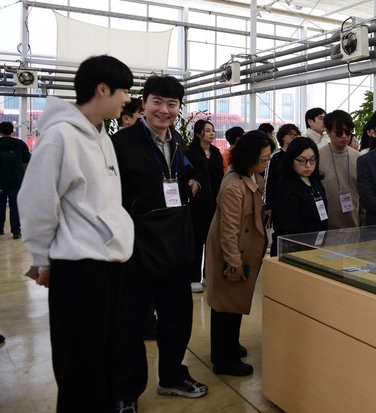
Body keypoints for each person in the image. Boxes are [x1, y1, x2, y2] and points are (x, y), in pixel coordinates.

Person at [17, 54, 134, 413]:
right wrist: (42, 260)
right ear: (102, 89)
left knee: (107, 361)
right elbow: (37, 203)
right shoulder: (60, 137)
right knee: (81, 367)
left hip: (111, 266)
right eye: (124, 91)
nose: (128, 98)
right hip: (81, 270)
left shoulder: (102, 136)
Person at [112, 75, 207, 411]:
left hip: (174, 243)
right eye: (157, 102)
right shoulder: (121, 143)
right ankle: (126, 391)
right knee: (131, 324)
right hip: (136, 246)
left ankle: (171, 376)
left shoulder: (177, 141)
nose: (164, 110)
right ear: (144, 103)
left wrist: (192, 183)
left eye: (172, 104)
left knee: (177, 317)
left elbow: (180, 178)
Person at [205, 131, 273, 376]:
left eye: (268, 158)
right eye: (263, 159)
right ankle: (224, 360)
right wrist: (233, 262)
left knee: (233, 304)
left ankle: (229, 346)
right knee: (226, 306)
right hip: (231, 254)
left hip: (241, 251)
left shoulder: (249, 176)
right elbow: (229, 230)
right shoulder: (234, 186)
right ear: (249, 157)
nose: (266, 163)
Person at [271, 137, 328, 256]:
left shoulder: (315, 182)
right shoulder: (285, 186)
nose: (308, 165)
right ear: (291, 159)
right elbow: (284, 227)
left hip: (316, 245)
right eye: (302, 161)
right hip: (293, 249)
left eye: (312, 160)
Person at [185, 120, 224, 293]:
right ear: (198, 133)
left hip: (215, 203)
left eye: (212, 130)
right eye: (207, 131)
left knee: (212, 240)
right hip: (196, 205)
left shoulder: (216, 152)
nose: (212, 133)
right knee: (196, 241)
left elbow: (221, 175)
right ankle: (193, 278)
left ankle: (208, 275)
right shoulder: (190, 153)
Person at [318, 110, 361, 229]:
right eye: (339, 132)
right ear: (328, 132)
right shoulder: (318, 157)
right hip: (326, 227)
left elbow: (364, 194)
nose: (344, 136)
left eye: (348, 132)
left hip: (355, 226)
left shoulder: (358, 157)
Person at [0, 121, 30, 239]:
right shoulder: (20, 144)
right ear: (12, 131)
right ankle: (16, 231)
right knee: (15, 205)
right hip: (16, 179)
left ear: (0, 131)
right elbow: (26, 162)